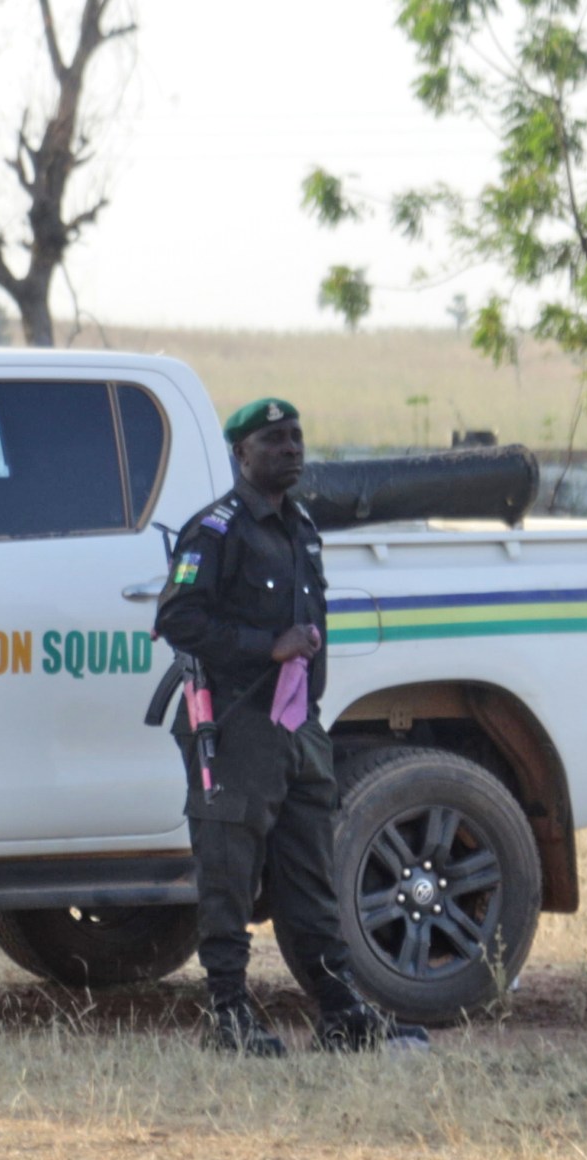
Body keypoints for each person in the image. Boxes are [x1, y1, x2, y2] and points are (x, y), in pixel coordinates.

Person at [155, 397, 429, 1057]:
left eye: (297, 437)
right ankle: (228, 1014)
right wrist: (264, 645)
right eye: (274, 439)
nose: (291, 449)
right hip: (235, 725)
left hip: (299, 725)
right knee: (229, 873)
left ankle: (340, 1012)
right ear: (241, 453)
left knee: (310, 875)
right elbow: (177, 620)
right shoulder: (217, 530)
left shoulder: (301, 525)